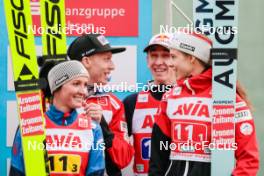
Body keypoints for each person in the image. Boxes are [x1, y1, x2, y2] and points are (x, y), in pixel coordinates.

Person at [149, 31, 260, 176]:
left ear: (191, 58)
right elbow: (158, 156)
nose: (170, 64)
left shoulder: (226, 98)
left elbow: (249, 159)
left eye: (174, 57)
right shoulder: (170, 97)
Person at [10, 60, 105, 176]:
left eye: (85, 85)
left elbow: (96, 173)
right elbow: (16, 172)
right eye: (76, 84)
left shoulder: (93, 128)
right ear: (56, 87)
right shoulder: (31, 126)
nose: (83, 91)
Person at [67, 34, 134, 176]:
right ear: (86, 61)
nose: (112, 66)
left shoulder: (113, 104)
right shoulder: (55, 99)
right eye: (107, 59)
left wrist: (103, 126)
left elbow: (124, 159)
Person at [123, 33, 176, 175]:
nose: (158, 62)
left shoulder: (187, 99)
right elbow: (119, 152)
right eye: (154, 56)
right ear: (147, 61)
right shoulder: (132, 102)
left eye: (166, 55)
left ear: (176, 59)